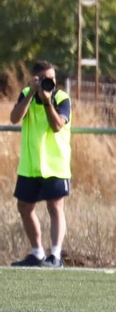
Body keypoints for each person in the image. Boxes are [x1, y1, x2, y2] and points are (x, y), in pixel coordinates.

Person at [9, 60, 71, 268]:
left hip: (55, 164)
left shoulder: (61, 98)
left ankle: (55, 255)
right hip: (31, 164)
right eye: (45, 80)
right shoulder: (27, 93)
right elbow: (15, 118)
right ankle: (37, 253)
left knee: (55, 207)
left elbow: (57, 126)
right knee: (24, 207)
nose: (50, 83)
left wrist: (46, 102)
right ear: (35, 79)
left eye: (53, 79)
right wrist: (30, 94)